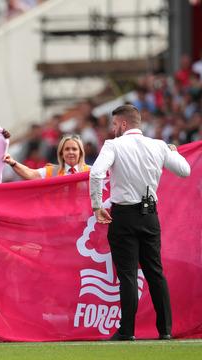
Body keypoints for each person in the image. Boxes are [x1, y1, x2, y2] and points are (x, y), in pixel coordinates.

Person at [89, 105, 190, 341]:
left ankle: (127, 331)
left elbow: (96, 174)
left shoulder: (113, 145)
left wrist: (96, 206)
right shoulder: (158, 145)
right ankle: (165, 330)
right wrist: (172, 152)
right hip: (150, 215)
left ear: (123, 124)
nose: (113, 129)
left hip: (123, 216)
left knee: (128, 275)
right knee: (155, 272)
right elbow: (184, 170)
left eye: (114, 125)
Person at [3, 134, 90, 180]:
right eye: (67, 149)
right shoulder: (52, 171)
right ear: (61, 153)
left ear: (81, 152)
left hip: (86, 213)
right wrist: (13, 163)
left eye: (74, 149)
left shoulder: (91, 171)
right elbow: (31, 173)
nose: (70, 152)